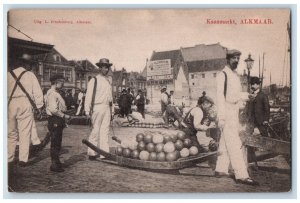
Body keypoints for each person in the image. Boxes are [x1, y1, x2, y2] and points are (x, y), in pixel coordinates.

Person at [214, 49, 258, 185]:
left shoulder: (235, 75)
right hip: (226, 110)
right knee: (234, 142)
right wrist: (221, 118)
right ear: (228, 59)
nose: (237, 61)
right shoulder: (222, 75)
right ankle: (241, 175)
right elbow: (220, 98)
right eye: (234, 58)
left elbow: (236, 95)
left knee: (225, 141)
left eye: (238, 58)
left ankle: (220, 168)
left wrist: (246, 96)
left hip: (233, 110)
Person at [8, 53, 44, 167]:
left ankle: (9, 158)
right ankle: (23, 159)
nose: (31, 67)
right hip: (24, 103)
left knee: (10, 133)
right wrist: (39, 107)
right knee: (25, 132)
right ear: (27, 64)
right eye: (31, 65)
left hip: (9, 103)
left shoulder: (8, 74)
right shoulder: (30, 75)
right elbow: (38, 93)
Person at [85, 58, 113, 160]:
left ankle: (104, 153)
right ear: (100, 68)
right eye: (104, 67)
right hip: (97, 107)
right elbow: (88, 96)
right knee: (95, 129)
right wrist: (87, 110)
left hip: (106, 107)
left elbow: (110, 98)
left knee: (105, 130)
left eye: (107, 68)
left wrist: (112, 110)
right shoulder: (94, 80)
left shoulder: (108, 81)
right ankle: (92, 153)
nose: (106, 70)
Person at [45, 74, 72, 172]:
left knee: (56, 142)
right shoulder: (53, 93)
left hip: (56, 119)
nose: (63, 84)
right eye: (61, 82)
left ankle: (56, 162)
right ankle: (54, 164)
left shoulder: (53, 92)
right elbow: (53, 109)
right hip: (55, 119)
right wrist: (65, 116)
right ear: (55, 82)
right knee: (55, 142)